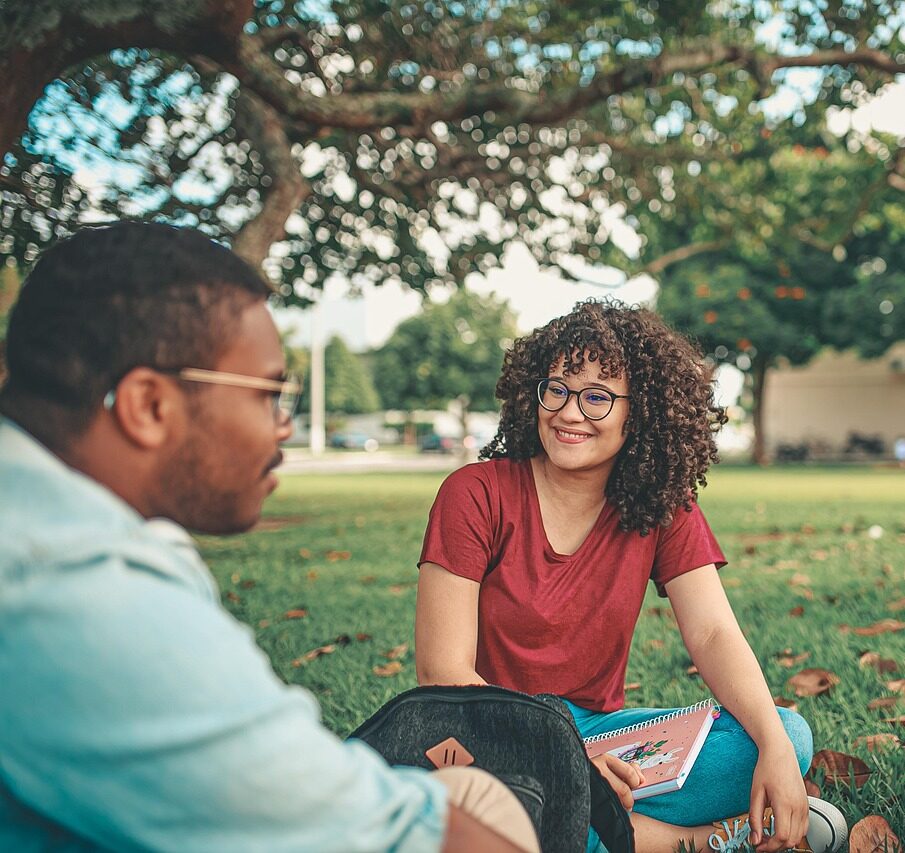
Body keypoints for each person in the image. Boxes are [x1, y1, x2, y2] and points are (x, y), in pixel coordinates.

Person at [0, 222, 539, 853]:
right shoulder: (79, 593)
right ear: (149, 406)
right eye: (268, 394)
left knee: (471, 792)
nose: (283, 426)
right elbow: (399, 836)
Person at [415, 301, 847, 853]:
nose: (569, 413)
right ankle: (703, 841)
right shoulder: (474, 493)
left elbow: (713, 632)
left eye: (597, 397)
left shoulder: (661, 504)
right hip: (486, 735)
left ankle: (581, 822)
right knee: (495, 805)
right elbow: (442, 674)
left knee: (785, 733)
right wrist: (567, 762)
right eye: (557, 389)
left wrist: (775, 749)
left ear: (639, 411)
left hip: (600, 737)